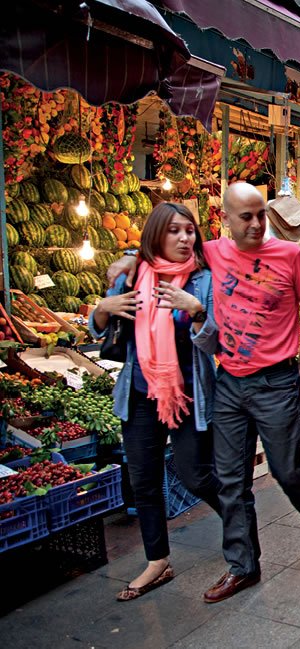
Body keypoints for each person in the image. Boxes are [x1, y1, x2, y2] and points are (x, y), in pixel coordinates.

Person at [106, 182, 300, 603]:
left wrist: (299, 370)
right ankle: (243, 567)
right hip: (229, 381)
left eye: (260, 215)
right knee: (230, 480)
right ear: (226, 220)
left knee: (287, 470)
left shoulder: (290, 255)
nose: (254, 224)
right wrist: (125, 261)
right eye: (244, 217)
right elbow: (157, 253)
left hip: (276, 381)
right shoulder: (210, 252)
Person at [90, 203, 222, 602]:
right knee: (143, 479)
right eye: (175, 231)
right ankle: (157, 561)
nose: (185, 239)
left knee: (195, 475)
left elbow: (216, 341)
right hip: (141, 393)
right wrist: (101, 309)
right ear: (156, 235)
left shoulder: (202, 281)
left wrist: (196, 310)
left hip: (188, 393)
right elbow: (100, 334)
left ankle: (238, 519)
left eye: (190, 231)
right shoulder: (132, 276)